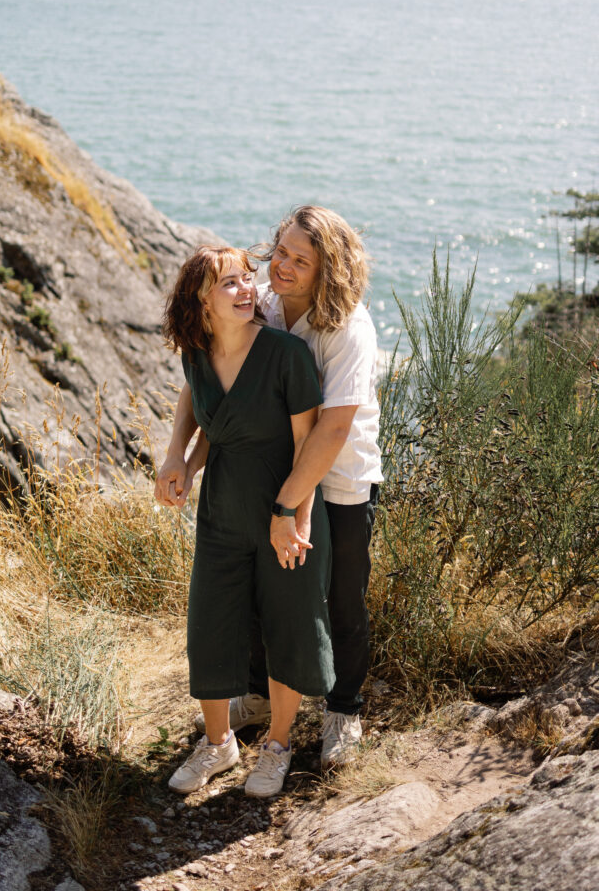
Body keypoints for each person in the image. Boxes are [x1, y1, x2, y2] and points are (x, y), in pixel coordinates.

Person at [157, 207, 383, 768]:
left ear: (327, 271)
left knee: (341, 603)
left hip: (339, 478)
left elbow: (332, 429)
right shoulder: (258, 296)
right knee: (267, 594)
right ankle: (258, 697)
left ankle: (343, 712)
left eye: (300, 261)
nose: (280, 266)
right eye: (281, 250)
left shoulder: (349, 327)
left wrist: (291, 506)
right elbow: (205, 370)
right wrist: (181, 455)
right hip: (274, 470)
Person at [154, 245, 334, 797]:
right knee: (211, 621)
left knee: (289, 624)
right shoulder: (197, 354)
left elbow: (308, 445)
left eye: (246, 279)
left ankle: (277, 748)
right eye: (229, 283)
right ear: (201, 301)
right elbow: (210, 418)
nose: (247, 290)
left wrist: (294, 517)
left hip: (285, 506)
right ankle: (219, 744)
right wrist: (178, 458)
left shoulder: (285, 354)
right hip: (222, 509)